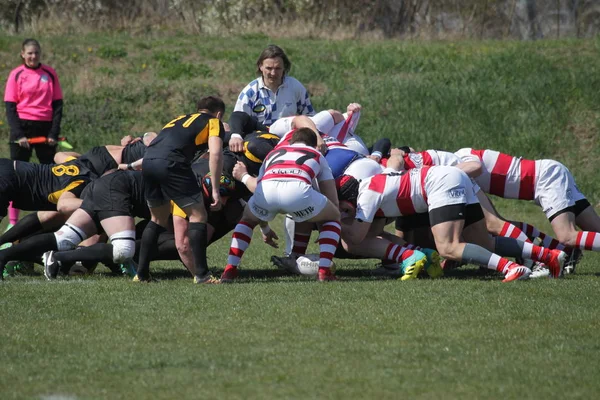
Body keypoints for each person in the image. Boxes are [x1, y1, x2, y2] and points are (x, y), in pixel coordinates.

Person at [336, 159, 567, 283]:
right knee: (485, 243)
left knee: (448, 247)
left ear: (349, 200)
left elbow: (355, 237)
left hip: (439, 183)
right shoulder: (370, 185)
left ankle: (511, 268)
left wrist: (333, 220)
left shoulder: (366, 196)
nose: (345, 214)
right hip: (449, 176)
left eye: (344, 209)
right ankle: (548, 256)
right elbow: (370, 231)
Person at [219, 127, 341, 283]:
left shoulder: (273, 153)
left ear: (291, 141)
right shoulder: (317, 154)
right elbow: (331, 196)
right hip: (297, 192)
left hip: (266, 192)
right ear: (313, 144)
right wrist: (325, 224)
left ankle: (230, 269)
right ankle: (324, 271)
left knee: (247, 220)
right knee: (333, 217)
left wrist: (264, 227)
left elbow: (259, 187)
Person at [134, 96, 226, 283]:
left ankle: (141, 274)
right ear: (218, 113)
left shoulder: (177, 119)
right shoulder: (214, 121)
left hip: (149, 162)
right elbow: (215, 153)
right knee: (198, 215)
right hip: (172, 165)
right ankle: (202, 275)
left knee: (157, 218)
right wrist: (215, 189)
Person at [4, 38, 64, 230]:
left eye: (36, 53)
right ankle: (12, 223)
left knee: (50, 175)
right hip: (22, 128)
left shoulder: (49, 73)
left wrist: (54, 132)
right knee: (16, 176)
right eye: (29, 53)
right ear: (22, 54)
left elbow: (57, 105)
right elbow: (10, 107)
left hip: (45, 128)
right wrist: (19, 134)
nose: (33, 56)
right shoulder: (16, 74)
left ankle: (51, 219)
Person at [233, 44, 314, 135]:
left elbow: (310, 116)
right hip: (259, 140)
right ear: (261, 66)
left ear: (284, 68)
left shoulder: (295, 87)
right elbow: (238, 121)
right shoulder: (250, 92)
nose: (273, 73)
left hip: (288, 139)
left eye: (278, 68)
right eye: (269, 68)